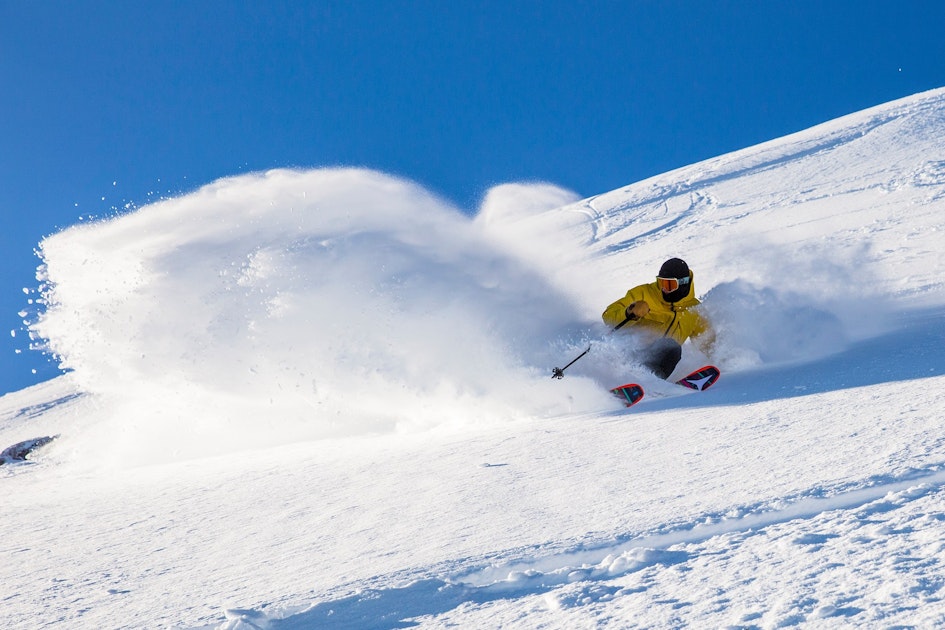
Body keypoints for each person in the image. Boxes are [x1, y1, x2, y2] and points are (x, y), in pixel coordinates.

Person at [601, 257, 714, 379]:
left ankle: (650, 383)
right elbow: (608, 316)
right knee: (669, 346)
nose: (664, 288)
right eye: (661, 282)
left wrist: (719, 360)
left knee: (672, 348)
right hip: (627, 354)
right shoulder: (643, 293)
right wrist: (629, 312)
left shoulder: (694, 310)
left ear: (683, 283)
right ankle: (633, 379)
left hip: (659, 363)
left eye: (669, 284)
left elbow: (707, 342)